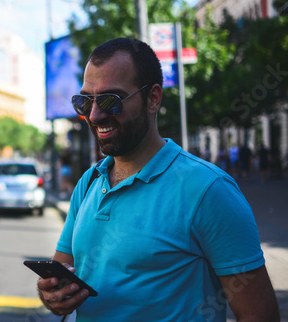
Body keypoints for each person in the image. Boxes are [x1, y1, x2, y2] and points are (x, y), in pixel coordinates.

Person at [37, 38, 279, 321]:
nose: (94, 114)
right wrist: (52, 295)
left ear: (153, 98)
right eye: (85, 101)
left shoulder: (209, 190)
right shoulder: (90, 181)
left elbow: (260, 315)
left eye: (110, 101)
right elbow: (61, 272)